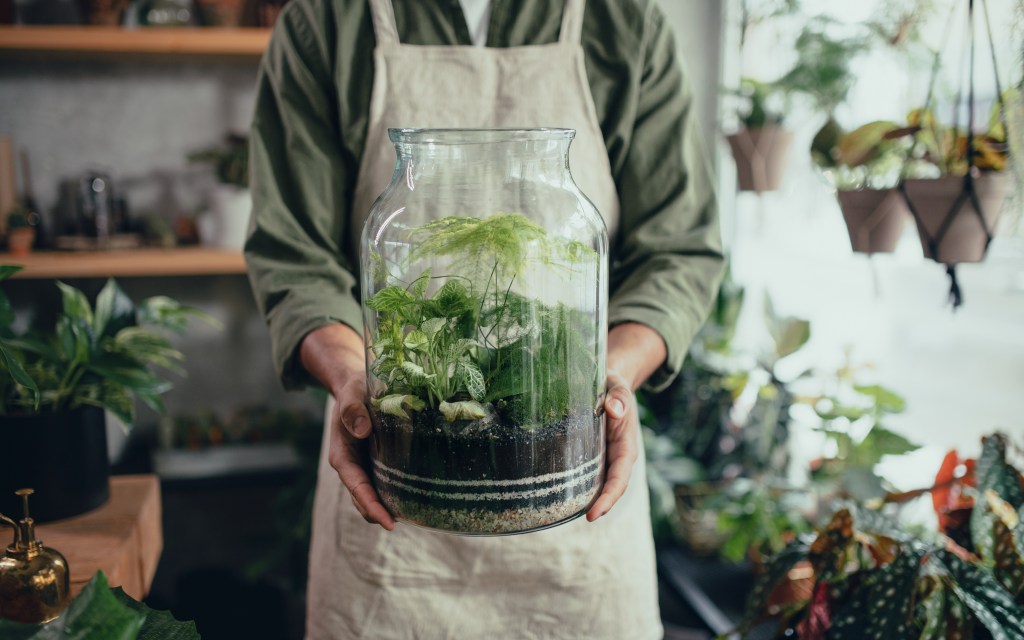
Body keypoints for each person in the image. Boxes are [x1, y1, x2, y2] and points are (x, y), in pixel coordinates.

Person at [244, 0, 724, 638]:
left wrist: (602, 383)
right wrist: (355, 381)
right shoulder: (327, 19)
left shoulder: (624, 19)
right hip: (394, 519)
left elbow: (678, 252)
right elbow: (292, 255)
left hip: (576, 526)